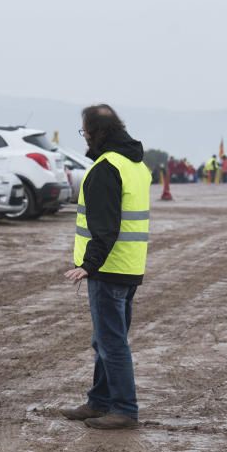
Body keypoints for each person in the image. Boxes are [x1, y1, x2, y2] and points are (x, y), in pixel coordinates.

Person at [63, 104, 151, 430]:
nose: (84, 136)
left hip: (108, 270)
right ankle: (98, 402)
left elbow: (105, 225)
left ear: (96, 133)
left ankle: (125, 409)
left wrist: (89, 264)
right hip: (129, 266)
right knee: (105, 339)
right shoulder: (136, 165)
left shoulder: (106, 168)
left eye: (84, 131)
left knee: (112, 343)